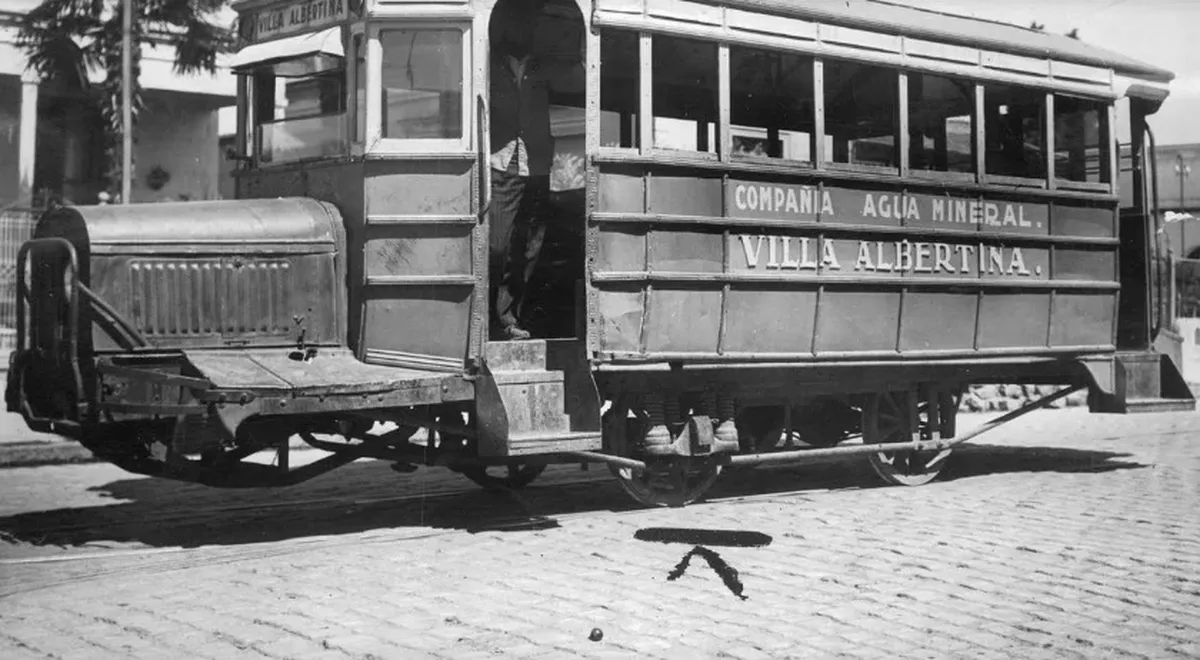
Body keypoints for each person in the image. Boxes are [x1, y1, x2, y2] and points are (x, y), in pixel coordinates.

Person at [489, 0, 583, 340]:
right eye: (521, 22)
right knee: (496, 245)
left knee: (530, 248)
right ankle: (486, 317)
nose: (526, 30)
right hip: (501, 164)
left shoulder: (542, 68)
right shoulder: (489, 63)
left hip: (537, 166)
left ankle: (508, 318)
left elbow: (583, 75)